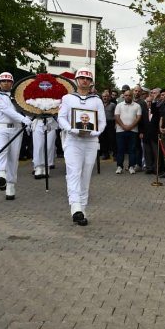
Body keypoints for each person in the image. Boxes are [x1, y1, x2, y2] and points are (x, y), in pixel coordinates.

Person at [58, 68, 106, 226]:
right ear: (76, 80)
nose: (84, 81)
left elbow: (102, 121)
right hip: (73, 140)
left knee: (86, 175)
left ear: (91, 82)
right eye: (81, 78)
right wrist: (70, 129)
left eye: (87, 78)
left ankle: (82, 210)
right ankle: (75, 207)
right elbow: (61, 118)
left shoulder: (97, 100)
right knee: (73, 172)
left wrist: (95, 132)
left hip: (90, 141)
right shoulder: (67, 98)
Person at [0, 72, 32, 200]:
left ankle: (10, 185)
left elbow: (26, 108)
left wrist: (29, 118)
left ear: (12, 83)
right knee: (2, 150)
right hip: (1, 127)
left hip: (16, 128)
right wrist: (23, 119)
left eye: (8, 81)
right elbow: (5, 110)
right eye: (3, 81)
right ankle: (1, 175)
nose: (6, 83)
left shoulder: (18, 96)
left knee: (14, 157)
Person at [115, 89, 142, 174]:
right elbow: (116, 116)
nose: (128, 97)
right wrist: (123, 126)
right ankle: (119, 166)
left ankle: (131, 166)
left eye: (129, 95)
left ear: (132, 96)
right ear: (124, 96)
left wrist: (130, 126)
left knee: (132, 149)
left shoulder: (137, 106)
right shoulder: (119, 105)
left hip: (133, 130)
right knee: (120, 149)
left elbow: (138, 118)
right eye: (126, 95)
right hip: (120, 130)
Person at [99, 92, 116, 159]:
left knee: (112, 139)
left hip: (111, 123)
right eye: (103, 96)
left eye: (106, 96)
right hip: (102, 123)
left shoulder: (113, 105)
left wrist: (116, 124)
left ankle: (115, 155)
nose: (105, 98)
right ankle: (105, 154)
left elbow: (116, 115)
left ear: (109, 97)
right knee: (103, 139)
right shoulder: (100, 105)